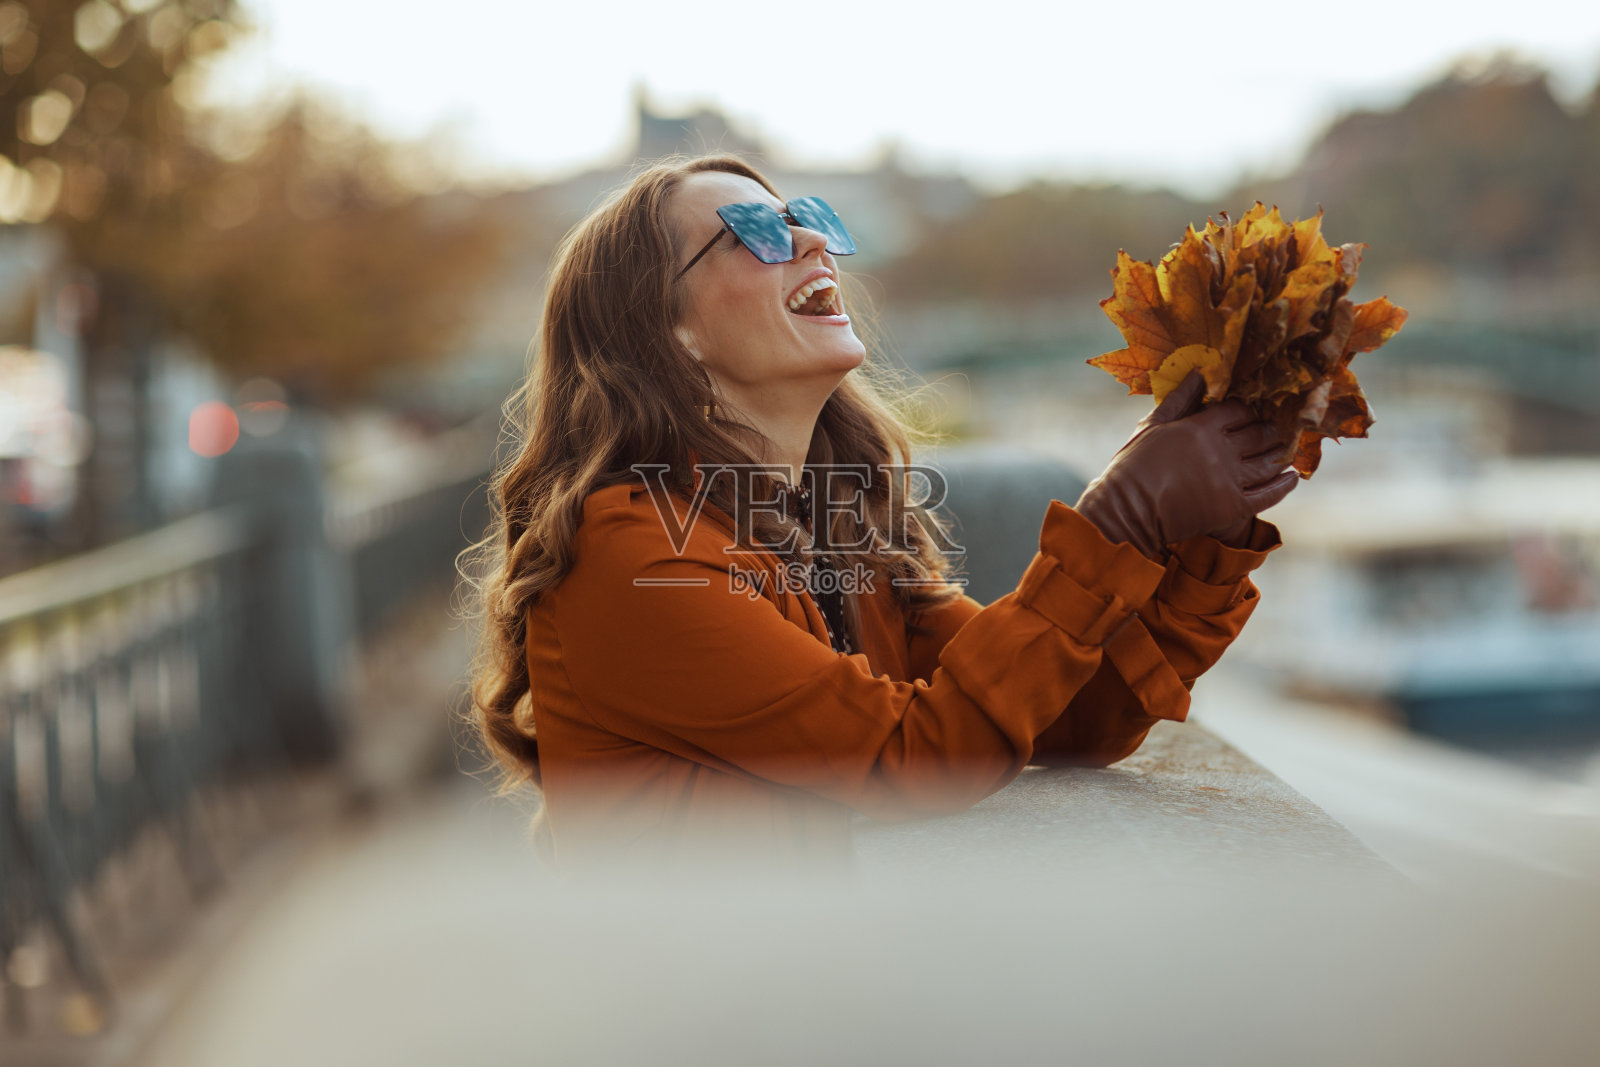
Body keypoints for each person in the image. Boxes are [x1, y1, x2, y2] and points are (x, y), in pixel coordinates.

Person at [464, 155, 1298, 873]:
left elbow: (1074, 717)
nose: (814, 242)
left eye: (811, 219)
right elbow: (918, 756)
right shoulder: (631, 551)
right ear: (667, 332)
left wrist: (1203, 533)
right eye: (755, 232)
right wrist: (1122, 513)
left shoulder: (832, 533)